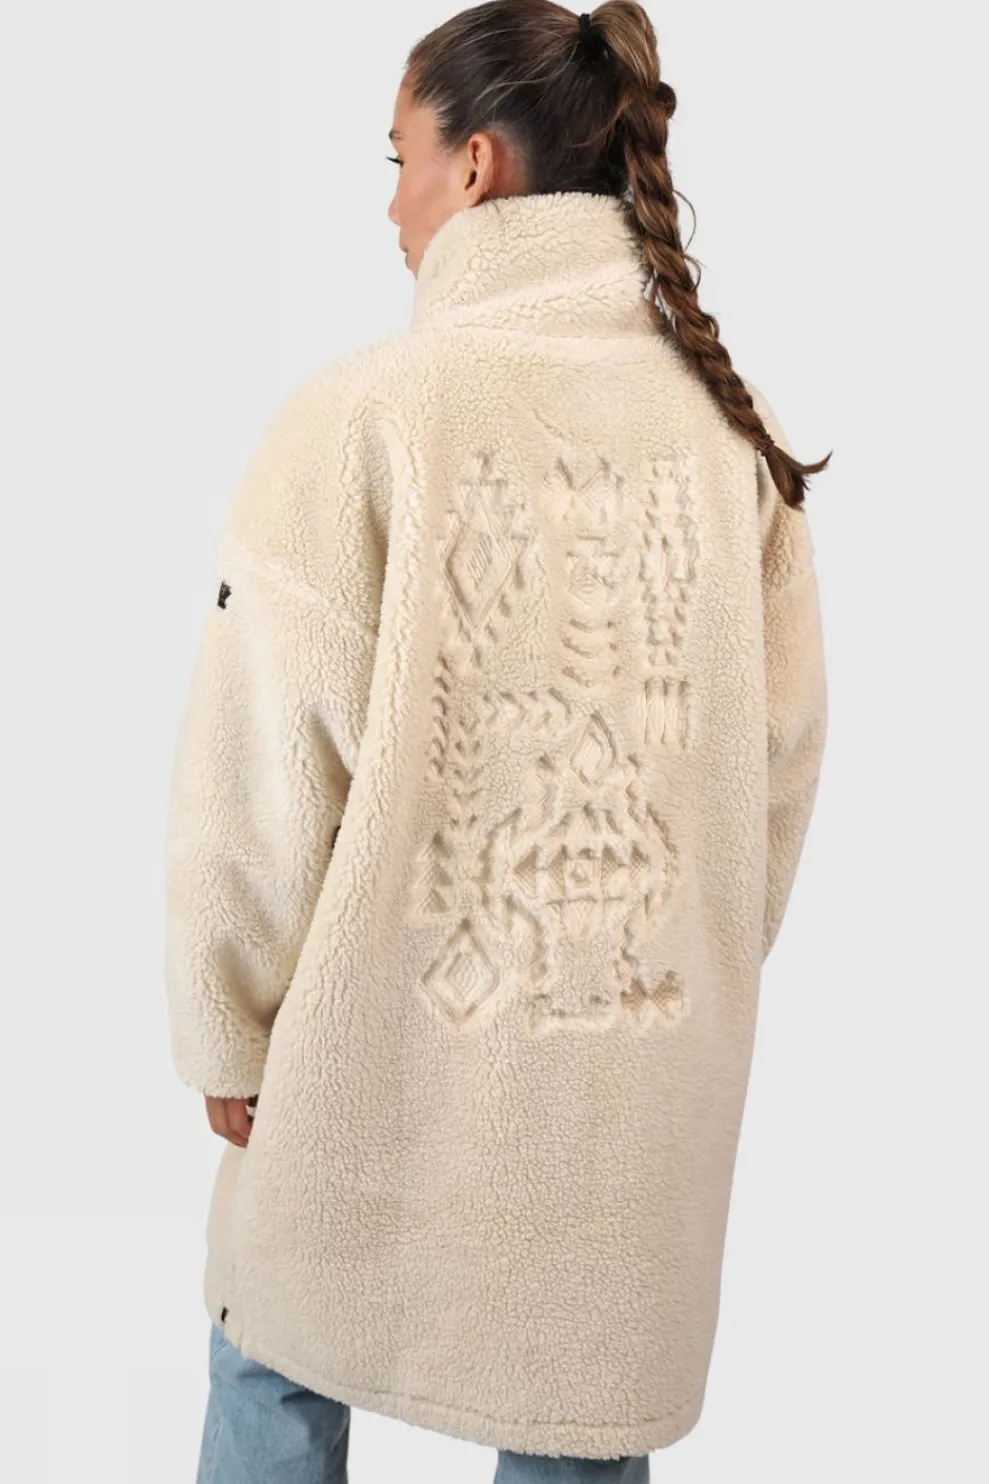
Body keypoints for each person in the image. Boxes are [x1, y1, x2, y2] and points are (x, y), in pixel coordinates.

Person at [165, 2, 830, 1480]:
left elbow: (263, 762)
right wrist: (690, 963)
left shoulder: (367, 413)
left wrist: (228, 1015)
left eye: (399, 158)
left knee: (276, 1355)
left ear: (475, 167)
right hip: (634, 1069)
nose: (389, 204)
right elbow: (776, 769)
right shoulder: (730, 435)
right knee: (577, 1400)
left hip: (363, 1054)